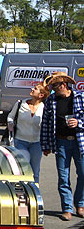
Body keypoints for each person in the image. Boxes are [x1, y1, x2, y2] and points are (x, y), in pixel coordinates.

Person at [40, 71, 84, 221]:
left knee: (83, 174)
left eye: (54, 86)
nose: (52, 89)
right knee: (63, 177)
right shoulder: (51, 100)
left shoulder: (80, 97)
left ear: (63, 85)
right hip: (61, 142)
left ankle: (80, 205)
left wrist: (79, 123)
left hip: (80, 142)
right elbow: (45, 124)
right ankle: (67, 209)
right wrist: (45, 145)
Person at [7, 83, 48, 183]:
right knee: (24, 167)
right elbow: (10, 116)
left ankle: (35, 192)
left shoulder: (45, 108)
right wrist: (10, 123)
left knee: (35, 170)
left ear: (41, 95)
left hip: (37, 142)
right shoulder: (21, 103)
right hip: (20, 141)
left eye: (35, 89)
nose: (32, 89)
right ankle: (22, 191)